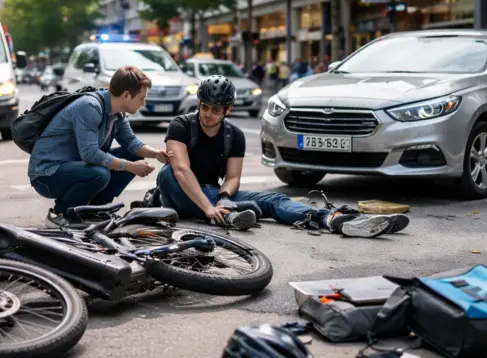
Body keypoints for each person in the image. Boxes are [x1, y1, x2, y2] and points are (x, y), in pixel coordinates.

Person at [156, 75, 408, 237]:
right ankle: (225, 216)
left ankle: (334, 220)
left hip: (212, 194)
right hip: (180, 193)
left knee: (275, 199)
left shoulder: (234, 135)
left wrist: (222, 198)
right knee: (167, 172)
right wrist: (209, 207)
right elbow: (181, 170)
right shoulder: (181, 125)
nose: (208, 114)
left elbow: (232, 178)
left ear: (228, 110)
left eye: (216, 109)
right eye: (204, 107)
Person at [28, 66, 174, 229]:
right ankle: (60, 214)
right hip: (47, 174)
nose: (143, 103)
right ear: (126, 95)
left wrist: (156, 154)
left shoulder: (118, 111)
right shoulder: (89, 107)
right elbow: (90, 154)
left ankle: (94, 210)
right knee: (99, 173)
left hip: (75, 168)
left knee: (132, 155)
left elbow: (131, 143)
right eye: (141, 98)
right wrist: (130, 167)